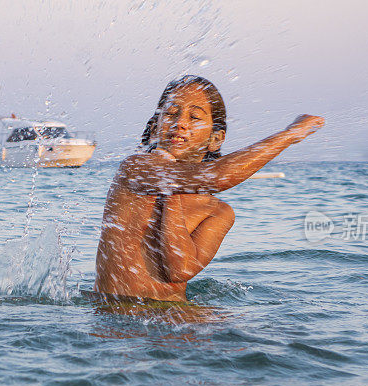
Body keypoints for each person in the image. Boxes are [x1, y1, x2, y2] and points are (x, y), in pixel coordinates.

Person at [94, 75, 324, 302]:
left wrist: (170, 192)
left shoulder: (218, 212)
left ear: (216, 139)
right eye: (172, 113)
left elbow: (180, 269)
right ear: (154, 129)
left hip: (180, 319)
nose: (180, 122)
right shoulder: (135, 169)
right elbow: (217, 177)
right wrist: (290, 135)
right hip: (121, 322)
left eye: (194, 117)